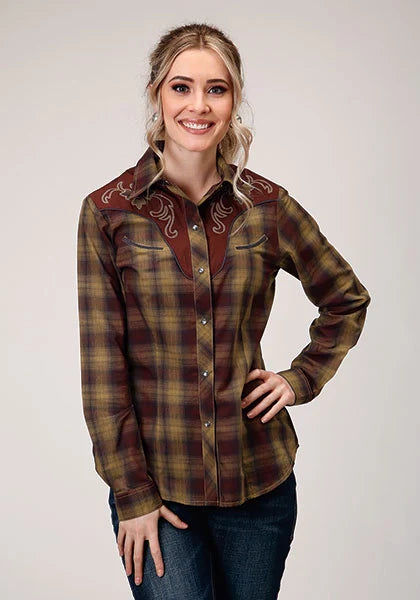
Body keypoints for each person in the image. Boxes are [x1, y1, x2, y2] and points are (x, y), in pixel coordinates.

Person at [77, 22, 371, 600]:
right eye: (181, 87)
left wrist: (299, 378)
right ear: (158, 96)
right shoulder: (108, 213)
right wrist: (131, 494)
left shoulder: (268, 206)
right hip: (158, 491)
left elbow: (346, 298)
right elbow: (103, 370)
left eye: (217, 89)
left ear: (234, 101)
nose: (199, 105)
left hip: (258, 482)